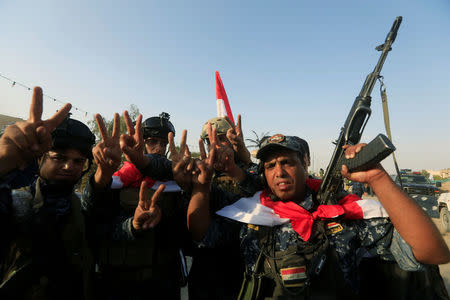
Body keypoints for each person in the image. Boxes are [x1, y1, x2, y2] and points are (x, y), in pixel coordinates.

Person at [185, 133, 450, 299]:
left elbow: (433, 253)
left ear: (306, 162)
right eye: (270, 165)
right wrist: (201, 186)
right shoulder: (252, 213)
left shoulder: (341, 212)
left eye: (287, 161)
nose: (279, 171)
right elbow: (203, 235)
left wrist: (378, 177)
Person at [0, 87, 95, 299]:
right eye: (59, 158)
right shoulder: (17, 202)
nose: (70, 167)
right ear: (40, 158)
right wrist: (3, 164)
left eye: (78, 161)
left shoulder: (79, 207)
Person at [82, 111, 188, 300]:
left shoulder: (174, 177)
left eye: (164, 144)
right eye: (152, 142)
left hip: (163, 282)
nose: (158, 148)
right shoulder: (117, 178)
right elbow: (94, 220)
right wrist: (132, 226)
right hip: (120, 282)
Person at [187, 115, 255, 300]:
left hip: (243, 269)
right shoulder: (197, 171)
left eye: (222, 137)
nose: (216, 143)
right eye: (210, 139)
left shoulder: (252, 172)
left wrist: (243, 157)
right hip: (207, 273)